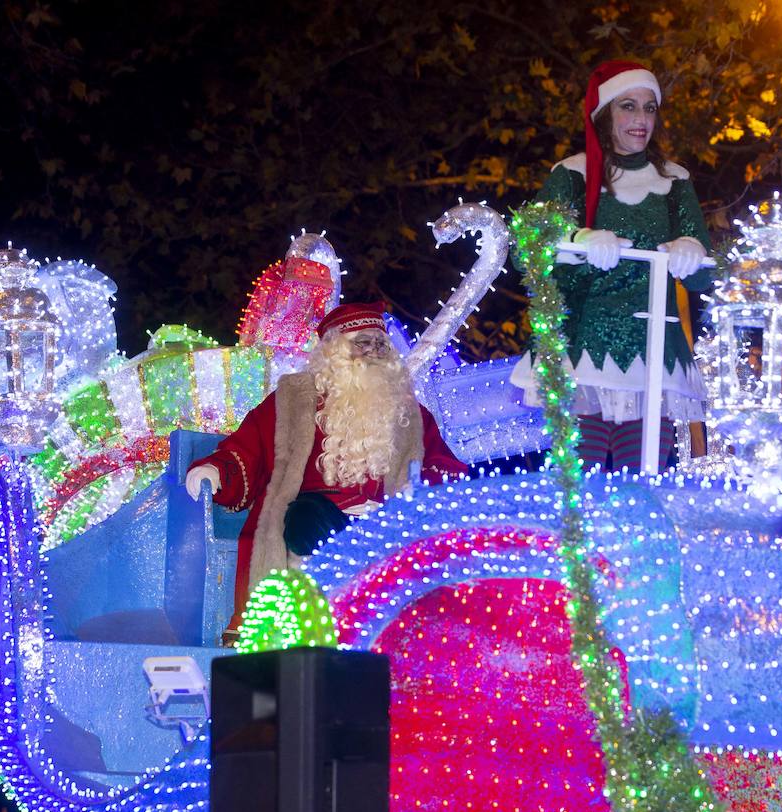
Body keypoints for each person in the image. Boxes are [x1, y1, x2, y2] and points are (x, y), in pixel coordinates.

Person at [185, 301, 468, 629]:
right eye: (363, 343)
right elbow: (248, 448)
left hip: (387, 523)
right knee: (305, 518)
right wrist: (217, 470)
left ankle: (382, 620)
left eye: (381, 343)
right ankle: (324, 611)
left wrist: (419, 491)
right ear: (334, 351)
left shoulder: (410, 412)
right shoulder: (293, 400)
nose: (374, 351)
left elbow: (445, 467)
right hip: (315, 523)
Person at [511, 59, 714, 471]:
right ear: (605, 114)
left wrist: (691, 247)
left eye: (649, 108)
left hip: (654, 349)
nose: (641, 119)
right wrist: (576, 239)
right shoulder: (572, 174)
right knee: (578, 486)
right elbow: (526, 249)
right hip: (584, 346)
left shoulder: (675, 180)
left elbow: (708, 272)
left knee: (641, 485)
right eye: (628, 106)